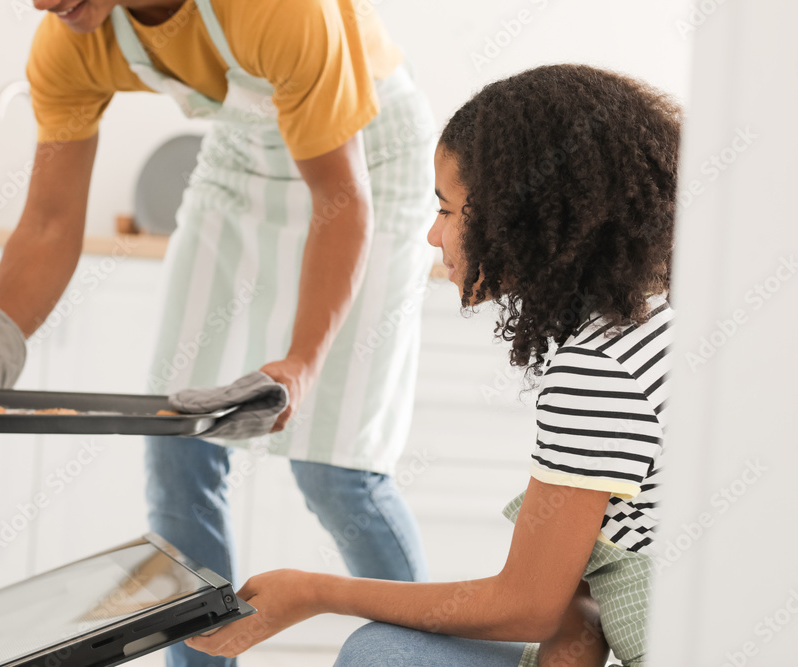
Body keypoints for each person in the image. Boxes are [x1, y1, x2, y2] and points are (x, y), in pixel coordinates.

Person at [0, 1, 437, 665]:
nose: (41, 2)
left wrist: (305, 361)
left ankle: (427, 658)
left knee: (332, 472)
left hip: (367, 165)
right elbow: (50, 223)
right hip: (242, 160)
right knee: (179, 445)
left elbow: (341, 201)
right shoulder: (70, 42)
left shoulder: (275, 11)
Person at [186, 63, 681, 667]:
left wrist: (316, 592)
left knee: (380, 655)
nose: (431, 235)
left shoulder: (599, 370)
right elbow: (573, 604)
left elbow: (528, 605)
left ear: (519, 217)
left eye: (447, 211)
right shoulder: (649, 326)